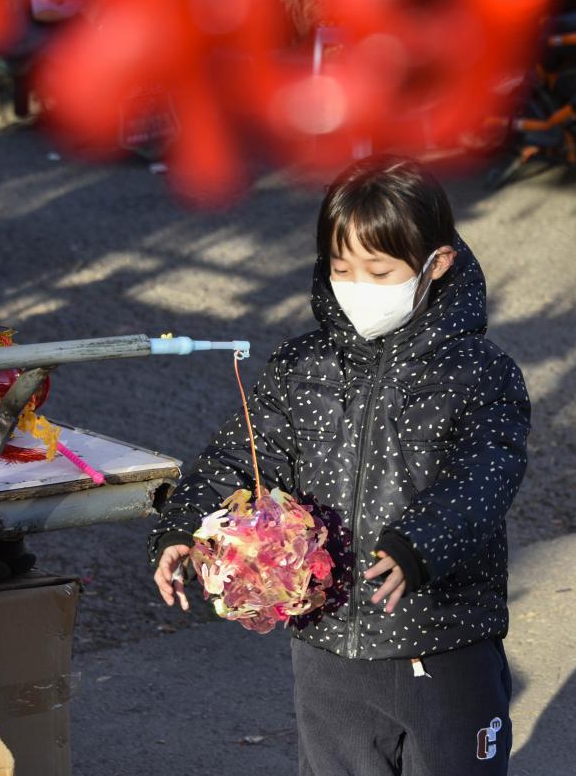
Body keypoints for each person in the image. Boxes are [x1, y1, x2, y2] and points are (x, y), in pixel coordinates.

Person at [150, 154, 531, 776]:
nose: (358, 285)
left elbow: (484, 478)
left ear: (436, 265)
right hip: (326, 639)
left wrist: (419, 545)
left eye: (380, 271)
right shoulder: (303, 366)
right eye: (341, 267)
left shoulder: (478, 373)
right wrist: (184, 527)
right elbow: (243, 457)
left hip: (440, 634)